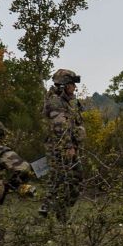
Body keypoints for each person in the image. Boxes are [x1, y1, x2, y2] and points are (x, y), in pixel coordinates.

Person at [40, 68, 85, 219]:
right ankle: (54, 211)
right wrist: (68, 146)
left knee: (71, 178)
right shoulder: (55, 101)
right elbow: (60, 126)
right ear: (64, 85)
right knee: (61, 179)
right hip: (59, 148)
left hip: (68, 146)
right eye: (72, 84)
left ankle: (54, 209)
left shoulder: (69, 100)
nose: (75, 87)